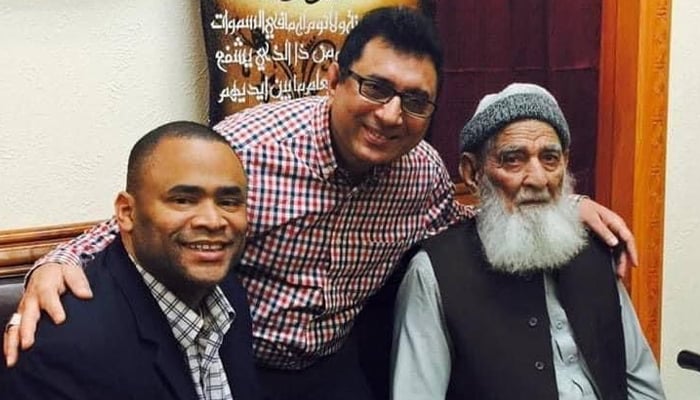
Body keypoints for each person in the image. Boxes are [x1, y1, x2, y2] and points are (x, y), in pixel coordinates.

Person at [4, 7, 636, 400]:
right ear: (334, 80)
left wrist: (560, 205)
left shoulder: (421, 174)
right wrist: (53, 264)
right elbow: (146, 218)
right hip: (235, 360)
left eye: (415, 102)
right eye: (375, 87)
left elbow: (468, 225)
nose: (391, 115)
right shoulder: (250, 146)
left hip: (335, 366)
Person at [390, 83, 665, 400]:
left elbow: (644, 388)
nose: (538, 178)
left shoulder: (595, 249)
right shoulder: (433, 274)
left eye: (550, 158)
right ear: (471, 172)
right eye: (513, 159)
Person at [0, 122, 261, 400]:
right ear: (126, 212)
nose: (212, 221)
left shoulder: (228, 292)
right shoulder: (61, 349)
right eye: (183, 200)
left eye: (229, 202)